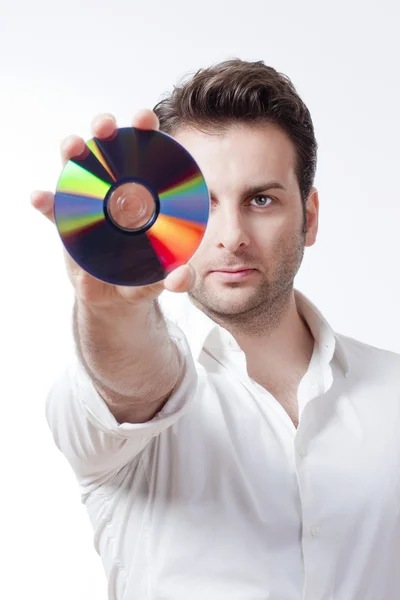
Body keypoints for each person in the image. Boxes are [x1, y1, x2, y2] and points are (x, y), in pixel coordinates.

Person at [31, 58, 400, 600]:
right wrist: (113, 310)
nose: (231, 235)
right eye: (202, 203)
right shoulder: (116, 393)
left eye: (261, 199)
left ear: (310, 216)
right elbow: (134, 385)